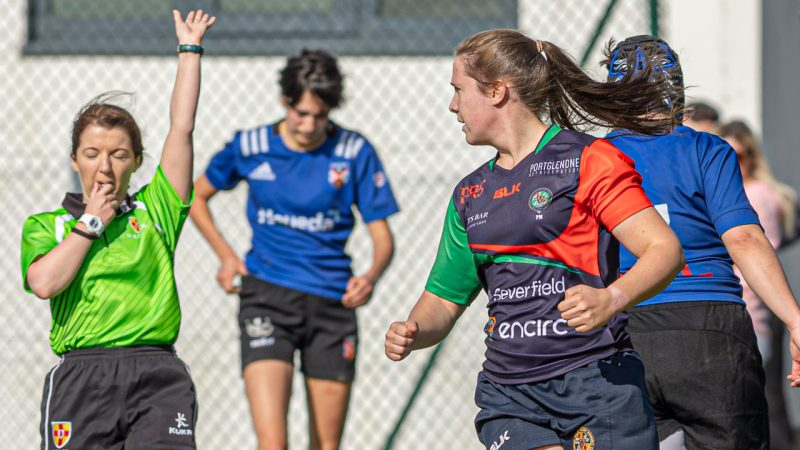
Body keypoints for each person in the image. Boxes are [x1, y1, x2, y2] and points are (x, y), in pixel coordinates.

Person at [384, 29, 684, 450]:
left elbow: (664, 250)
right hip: (509, 393)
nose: (452, 105)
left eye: (458, 90)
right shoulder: (470, 194)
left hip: (595, 379)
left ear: (496, 91)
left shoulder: (589, 160)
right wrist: (415, 331)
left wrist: (611, 299)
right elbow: (443, 299)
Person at [20, 10, 214, 450]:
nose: (105, 167)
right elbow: (44, 282)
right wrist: (90, 224)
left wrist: (190, 51)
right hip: (82, 375)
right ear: (75, 160)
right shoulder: (48, 226)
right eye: (92, 153)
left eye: (119, 155)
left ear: (137, 161)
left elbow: (181, 129)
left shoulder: (157, 208)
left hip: (155, 372)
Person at [190, 49, 399, 450]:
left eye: (320, 116)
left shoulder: (354, 151)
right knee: (273, 444)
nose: (309, 125)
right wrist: (227, 257)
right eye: (300, 113)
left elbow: (383, 238)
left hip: (332, 303)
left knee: (326, 445)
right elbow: (195, 197)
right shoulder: (250, 145)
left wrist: (371, 276)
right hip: (267, 297)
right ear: (284, 101)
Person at [603, 35, 800, 450]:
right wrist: (795, 320)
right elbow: (743, 237)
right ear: (676, 90)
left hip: (624, 326)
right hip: (708, 326)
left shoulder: (593, 159)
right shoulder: (706, 149)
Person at [719, 119, 798, 450]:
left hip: (751, 311)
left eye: (739, 155)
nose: (732, 163)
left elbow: (751, 254)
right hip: (757, 310)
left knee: (752, 407)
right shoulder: (750, 193)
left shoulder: (755, 195)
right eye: (725, 154)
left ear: (752, 156)